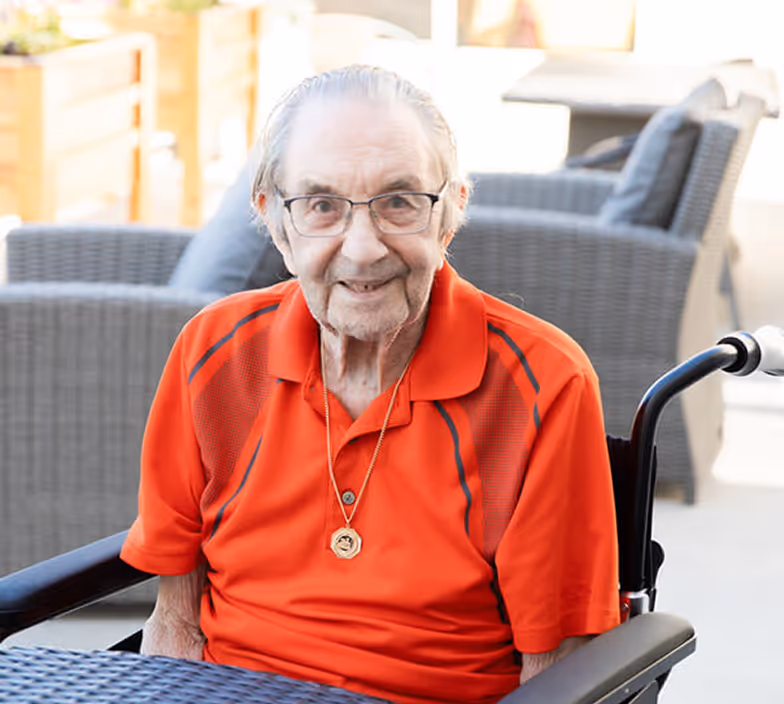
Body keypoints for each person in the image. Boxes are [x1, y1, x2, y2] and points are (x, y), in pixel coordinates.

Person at [120, 65, 620, 704]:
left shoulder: (543, 383)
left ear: (451, 212)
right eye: (322, 205)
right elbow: (174, 622)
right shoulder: (215, 353)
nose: (362, 249)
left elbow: (555, 667)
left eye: (399, 202)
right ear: (274, 221)